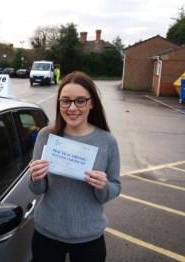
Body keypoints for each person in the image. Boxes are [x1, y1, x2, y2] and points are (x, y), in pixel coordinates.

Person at [28, 71, 121, 262]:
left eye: (80, 101)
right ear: (59, 103)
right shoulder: (46, 136)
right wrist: (35, 178)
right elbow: (38, 188)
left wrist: (103, 186)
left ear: (92, 103)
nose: (72, 108)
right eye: (65, 101)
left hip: (89, 235)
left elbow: (115, 187)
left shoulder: (107, 141)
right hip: (47, 232)